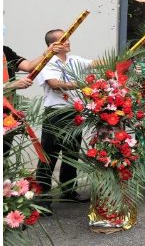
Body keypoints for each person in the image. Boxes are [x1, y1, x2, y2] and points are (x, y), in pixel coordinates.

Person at [35, 29, 102, 211]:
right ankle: (42, 199)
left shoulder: (74, 60)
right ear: (53, 45)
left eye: (67, 38)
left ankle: (69, 192)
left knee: (71, 154)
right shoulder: (47, 62)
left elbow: (95, 63)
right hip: (56, 114)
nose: (68, 42)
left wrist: (123, 59)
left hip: (74, 113)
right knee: (49, 156)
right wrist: (83, 84)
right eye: (63, 40)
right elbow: (54, 84)